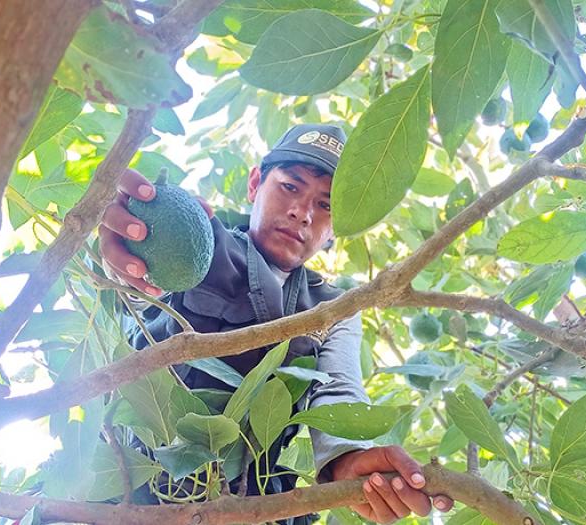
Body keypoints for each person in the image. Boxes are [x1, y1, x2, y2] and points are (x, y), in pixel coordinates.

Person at [99, 123, 454, 524]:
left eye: (326, 206)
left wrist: (346, 457)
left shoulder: (335, 306)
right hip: (129, 494)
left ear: (336, 230)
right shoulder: (204, 240)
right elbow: (136, 297)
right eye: (290, 187)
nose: (301, 213)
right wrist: (128, 242)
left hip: (248, 507)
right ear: (255, 184)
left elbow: (338, 389)